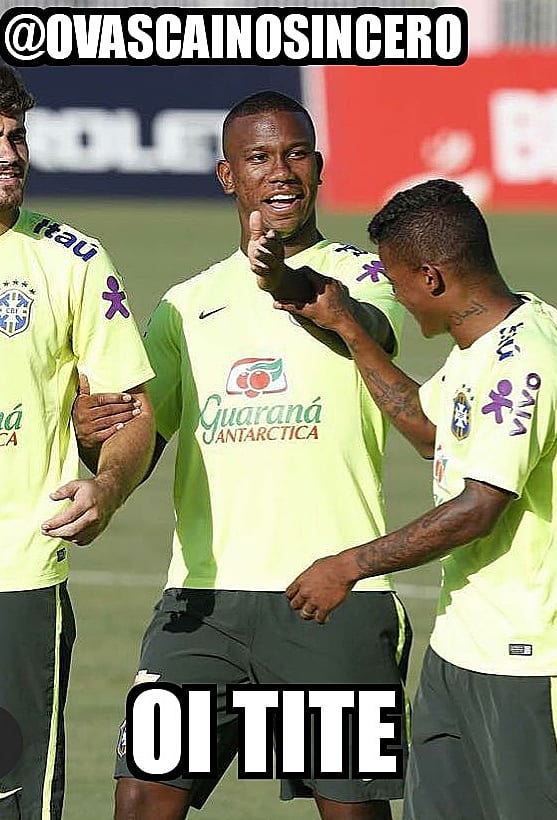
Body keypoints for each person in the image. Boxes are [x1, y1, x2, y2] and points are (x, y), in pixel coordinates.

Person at [278, 178, 557, 819]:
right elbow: (431, 431)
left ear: (431, 278)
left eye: (397, 282)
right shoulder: (490, 340)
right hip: (460, 647)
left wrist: (347, 566)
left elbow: (477, 509)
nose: (396, 297)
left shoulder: (526, 359)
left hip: (533, 656)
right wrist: (349, 328)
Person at [74, 91, 411, 820]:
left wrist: (282, 281)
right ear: (228, 175)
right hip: (204, 605)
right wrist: (94, 449)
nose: (280, 171)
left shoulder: (364, 274)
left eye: (295, 154)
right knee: (140, 803)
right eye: (259, 157)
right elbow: (142, 434)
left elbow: (371, 333)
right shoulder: (184, 305)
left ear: (319, 166)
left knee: (349, 813)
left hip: (333, 601)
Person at [0, 65, 155, 820]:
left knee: (15, 795)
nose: (10, 155)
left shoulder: (73, 260)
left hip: (17, 570)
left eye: (16, 136)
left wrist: (108, 486)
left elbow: (131, 409)